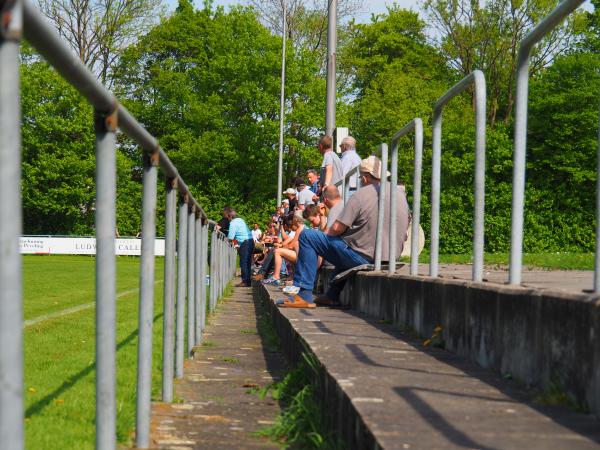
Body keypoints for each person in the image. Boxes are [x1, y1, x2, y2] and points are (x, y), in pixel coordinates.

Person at [280, 155, 409, 308]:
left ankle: (303, 294)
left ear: (366, 178)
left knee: (308, 237)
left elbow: (336, 229)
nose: (361, 181)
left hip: (364, 257)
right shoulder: (400, 195)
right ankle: (331, 295)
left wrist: (324, 240)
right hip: (391, 257)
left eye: (361, 177)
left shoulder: (362, 194)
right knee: (348, 244)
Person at [227, 209, 254, 287]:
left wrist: (226, 239)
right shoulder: (241, 220)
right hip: (250, 241)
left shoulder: (233, 223)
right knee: (248, 262)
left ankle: (245, 281)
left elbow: (231, 237)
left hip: (245, 243)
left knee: (244, 262)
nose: (228, 219)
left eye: (228, 217)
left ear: (230, 216)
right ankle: (247, 281)